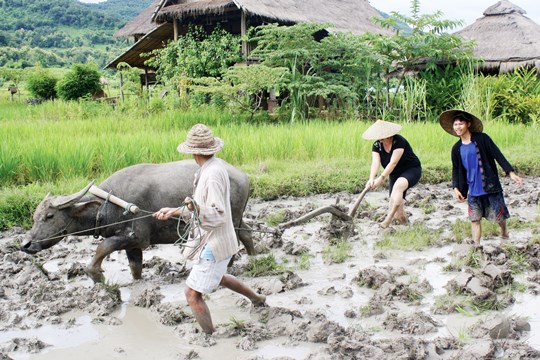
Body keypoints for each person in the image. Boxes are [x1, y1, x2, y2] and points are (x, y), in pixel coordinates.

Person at [153, 123, 266, 334]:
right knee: (218, 277)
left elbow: (217, 214)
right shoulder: (208, 169)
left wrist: (191, 208)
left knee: (192, 294)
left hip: (214, 244)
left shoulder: (212, 175)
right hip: (214, 240)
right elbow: (200, 209)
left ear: (194, 151)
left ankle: (209, 337)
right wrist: (173, 211)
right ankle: (257, 298)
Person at [439, 109, 523, 246]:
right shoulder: (456, 148)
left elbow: (498, 155)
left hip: (490, 186)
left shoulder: (482, 139)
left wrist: (511, 173)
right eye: (455, 125)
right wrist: (456, 187)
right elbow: (456, 169)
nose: (458, 127)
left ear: (468, 124)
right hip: (472, 190)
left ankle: (504, 232)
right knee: (474, 219)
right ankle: (476, 246)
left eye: (461, 124)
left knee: (499, 216)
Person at [362, 120, 422, 228]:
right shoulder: (377, 145)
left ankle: (388, 219)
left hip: (411, 169)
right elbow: (375, 162)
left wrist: (381, 178)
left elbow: (393, 163)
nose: (379, 138)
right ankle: (407, 227)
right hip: (394, 174)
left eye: (382, 135)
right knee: (398, 213)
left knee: (398, 187)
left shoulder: (399, 141)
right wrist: (371, 178)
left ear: (388, 134)